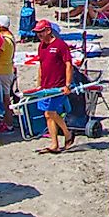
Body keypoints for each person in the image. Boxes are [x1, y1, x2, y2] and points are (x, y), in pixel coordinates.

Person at [34, 22, 77, 153]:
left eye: (41, 32)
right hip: (45, 86)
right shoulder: (41, 46)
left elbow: (68, 65)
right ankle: (54, 144)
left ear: (48, 30)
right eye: (37, 32)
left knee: (50, 112)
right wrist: (39, 84)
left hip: (58, 85)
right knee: (47, 115)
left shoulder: (60, 45)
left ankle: (67, 133)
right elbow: (41, 66)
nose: (38, 35)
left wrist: (67, 84)